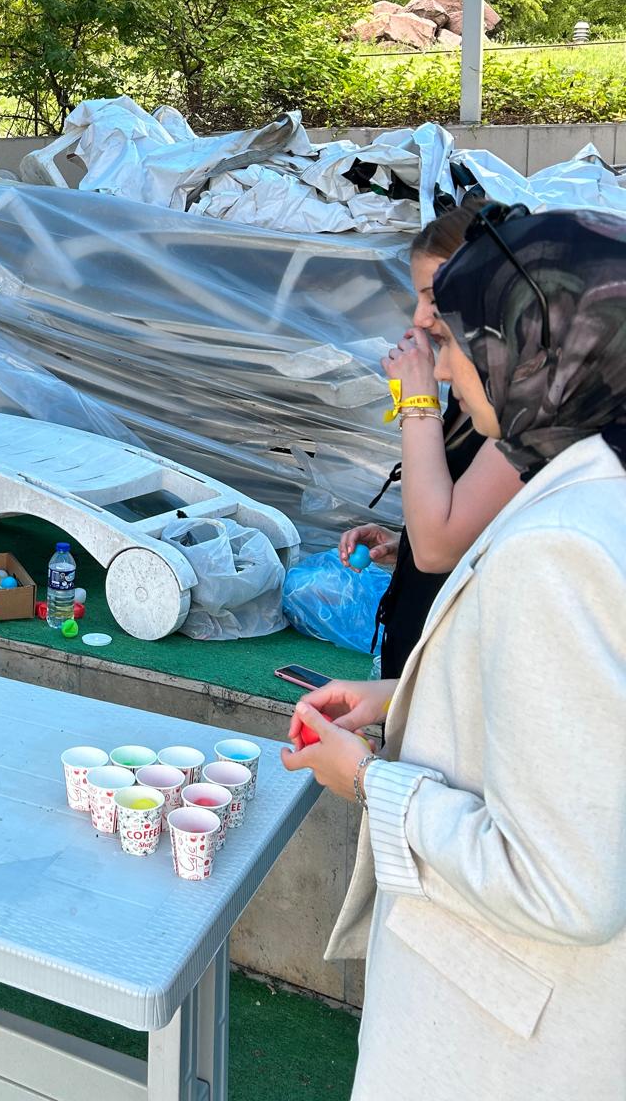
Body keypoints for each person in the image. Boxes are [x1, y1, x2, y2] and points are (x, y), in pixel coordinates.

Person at [283, 206, 626, 1100]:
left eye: (457, 340)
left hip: (506, 1039)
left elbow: (567, 887)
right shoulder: (597, 483)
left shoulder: (559, 548)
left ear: (539, 354)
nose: (437, 364)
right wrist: (405, 695)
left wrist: (371, 783)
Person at [339, 201, 522, 677]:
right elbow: (469, 527)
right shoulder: (475, 397)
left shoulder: (525, 415)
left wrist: (418, 402)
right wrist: (406, 543)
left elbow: (438, 548)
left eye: (433, 299)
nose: (420, 318)